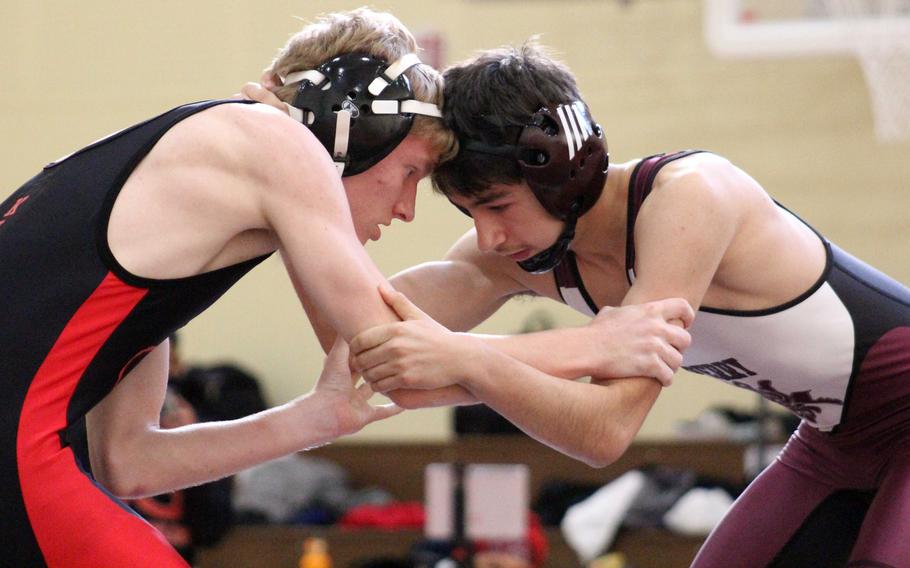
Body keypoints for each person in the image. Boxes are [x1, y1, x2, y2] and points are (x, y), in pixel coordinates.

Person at [1, 9, 691, 567]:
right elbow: (389, 357)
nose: (407, 210)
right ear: (355, 130)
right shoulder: (276, 142)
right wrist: (596, 344)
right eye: (414, 173)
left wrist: (312, 419)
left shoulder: (162, 210)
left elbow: (129, 463)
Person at [334, 43, 910, 567]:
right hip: (836, 441)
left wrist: (465, 360)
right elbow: (363, 341)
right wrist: (299, 205)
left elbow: (603, 432)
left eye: (497, 205)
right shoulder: (514, 253)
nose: (489, 238)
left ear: (564, 167)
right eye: (470, 214)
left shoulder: (690, 197)